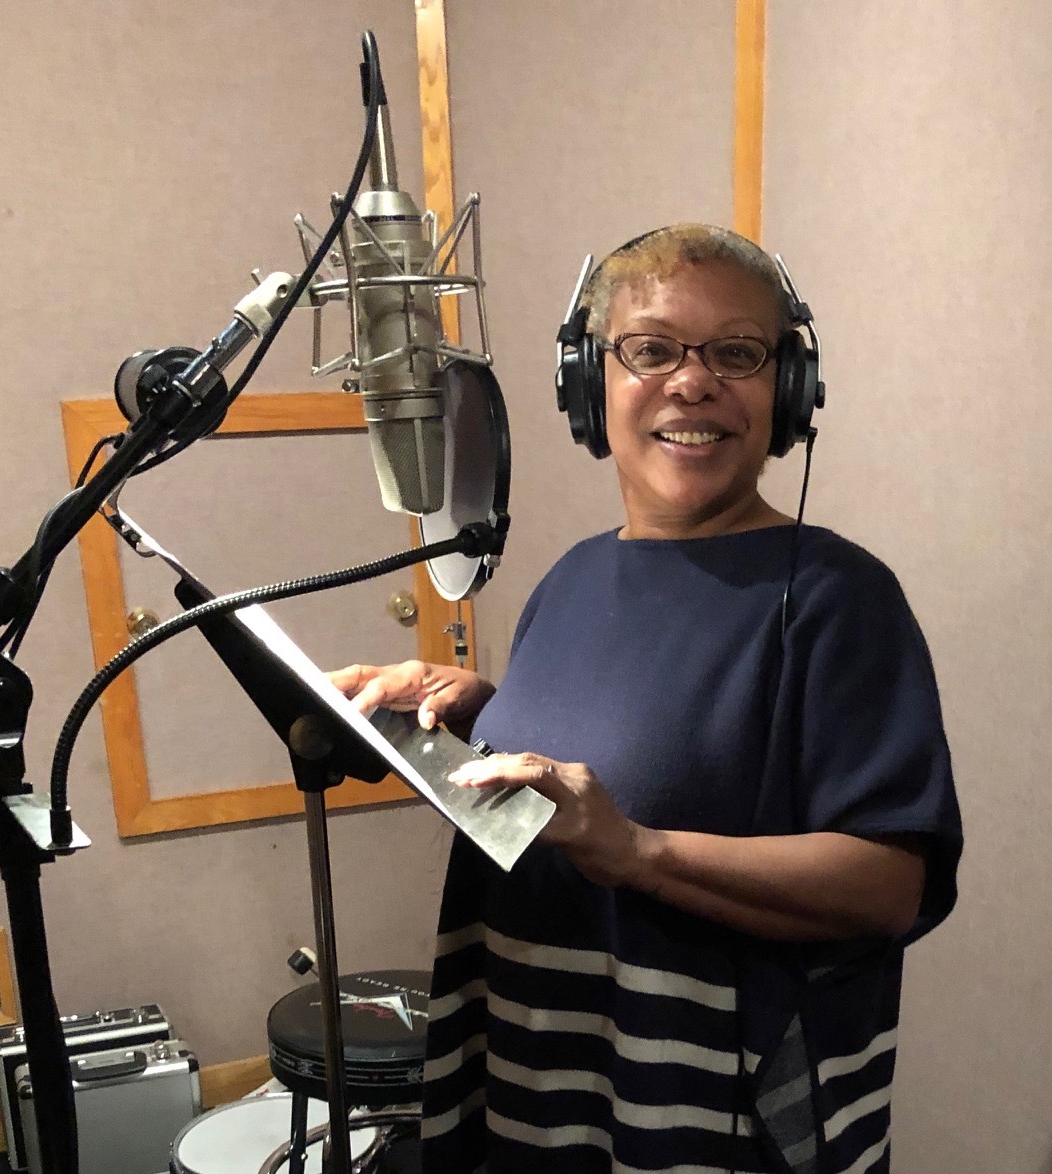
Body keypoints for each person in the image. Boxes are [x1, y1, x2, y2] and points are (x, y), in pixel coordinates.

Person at [332, 224, 962, 1174]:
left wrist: (637, 851)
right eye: (651, 349)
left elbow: (886, 885)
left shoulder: (837, 597)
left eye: (736, 354)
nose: (692, 382)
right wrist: (472, 710)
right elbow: (622, 753)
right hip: (539, 1088)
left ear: (789, 390)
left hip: (697, 1126)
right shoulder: (571, 578)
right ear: (589, 385)